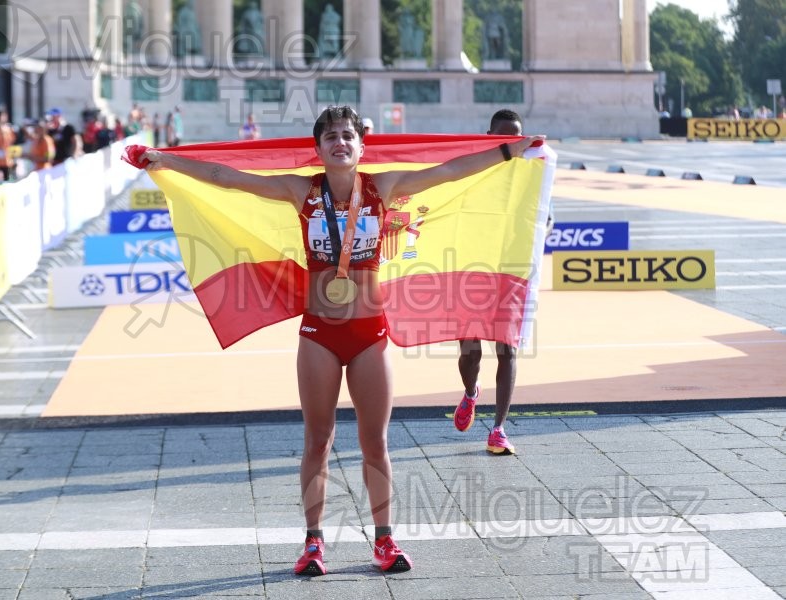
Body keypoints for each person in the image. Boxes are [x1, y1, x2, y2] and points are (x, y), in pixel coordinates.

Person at [137, 105, 541, 576]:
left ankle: (385, 541)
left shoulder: (382, 187)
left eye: (348, 135)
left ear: (361, 145)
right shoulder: (299, 190)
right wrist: (163, 159)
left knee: (376, 442)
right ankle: (313, 543)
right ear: (318, 149)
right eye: (330, 136)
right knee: (318, 440)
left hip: (370, 334)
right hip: (319, 334)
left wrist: (511, 150)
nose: (340, 142)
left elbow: (448, 171)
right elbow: (224, 176)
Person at [453, 108, 551, 455]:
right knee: (470, 352)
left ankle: (498, 429)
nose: (509, 142)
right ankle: (470, 393)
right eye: (502, 136)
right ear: (489, 135)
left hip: (509, 270)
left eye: (515, 137)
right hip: (472, 268)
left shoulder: (530, 173)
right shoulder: (473, 168)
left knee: (507, 349)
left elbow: (543, 217)